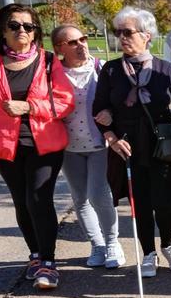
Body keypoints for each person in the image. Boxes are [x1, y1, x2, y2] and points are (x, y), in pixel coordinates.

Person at [0, 3, 75, 290]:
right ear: (3, 30)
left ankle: (49, 264)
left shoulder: (49, 61)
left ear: (36, 31)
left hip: (45, 144)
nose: (21, 31)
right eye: (14, 25)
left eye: (28, 26)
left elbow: (65, 101)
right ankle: (35, 256)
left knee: (39, 198)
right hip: (4, 147)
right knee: (22, 200)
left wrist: (28, 106)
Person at [94, 6, 171, 279]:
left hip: (162, 144)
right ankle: (148, 252)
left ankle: (169, 244)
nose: (122, 38)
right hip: (127, 145)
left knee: (165, 202)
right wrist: (111, 137)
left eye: (128, 32)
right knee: (141, 203)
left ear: (147, 36)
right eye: (118, 32)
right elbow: (99, 108)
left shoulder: (164, 68)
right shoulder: (111, 70)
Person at [52, 24, 124, 269]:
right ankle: (97, 244)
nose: (81, 44)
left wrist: (109, 112)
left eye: (83, 38)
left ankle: (113, 243)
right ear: (59, 48)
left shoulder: (99, 68)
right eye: (73, 42)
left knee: (99, 195)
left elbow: (116, 100)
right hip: (68, 145)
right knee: (80, 198)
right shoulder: (54, 72)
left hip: (98, 143)